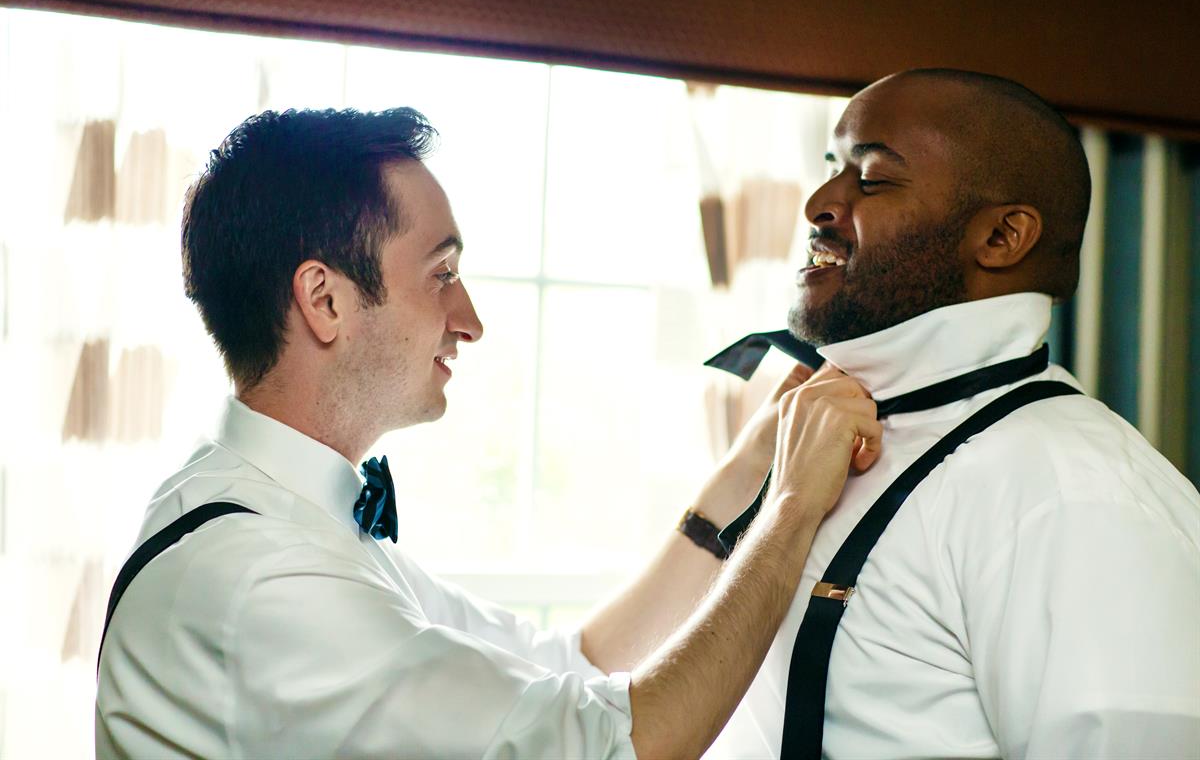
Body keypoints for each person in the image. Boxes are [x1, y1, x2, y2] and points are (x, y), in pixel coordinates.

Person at [94, 107, 879, 759]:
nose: (469, 321)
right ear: (325, 301)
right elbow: (611, 749)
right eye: (441, 274)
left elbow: (574, 666)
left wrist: (747, 469)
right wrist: (791, 511)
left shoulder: (287, 517)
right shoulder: (260, 579)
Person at [705, 69, 1200, 760]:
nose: (818, 204)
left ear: (1001, 237)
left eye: (871, 179)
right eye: (830, 168)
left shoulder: (1076, 498)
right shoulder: (816, 436)